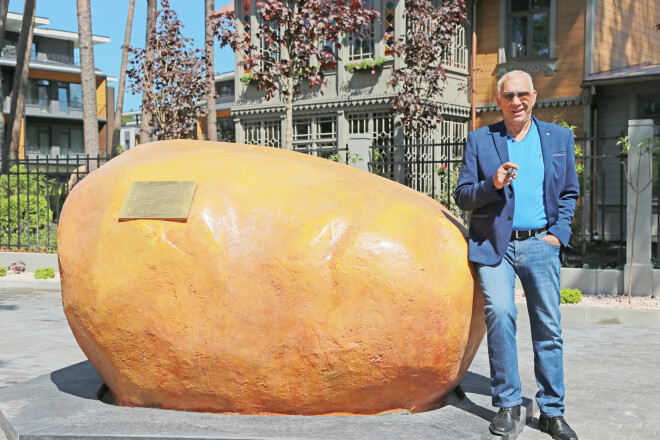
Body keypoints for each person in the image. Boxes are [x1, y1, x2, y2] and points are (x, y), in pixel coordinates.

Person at [453, 70, 579, 440]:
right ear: (499, 100)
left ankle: (552, 412)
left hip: (542, 243)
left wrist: (559, 233)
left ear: (534, 96)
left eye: (522, 94)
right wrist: (492, 184)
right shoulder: (480, 139)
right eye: (508, 95)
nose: (516, 102)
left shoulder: (559, 137)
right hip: (495, 244)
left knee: (548, 328)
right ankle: (508, 404)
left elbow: (569, 192)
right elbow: (461, 195)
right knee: (501, 313)